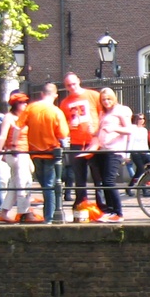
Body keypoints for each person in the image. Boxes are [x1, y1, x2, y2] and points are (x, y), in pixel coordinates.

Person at [17, 84, 70, 223]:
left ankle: (50, 215)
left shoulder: (30, 108)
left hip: (34, 152)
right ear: (55, 95)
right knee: (50, 186)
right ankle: (50, 217)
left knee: (45, 185)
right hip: (51, 153)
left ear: (41, 94)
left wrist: (15, 144)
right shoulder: (56, 112)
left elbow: (18, 125)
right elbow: (63, 134)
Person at [57, 72, 102, 215]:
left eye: (74, 84)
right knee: (79, 176)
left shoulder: (93, 96)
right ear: (66, 87)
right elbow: (63, 122)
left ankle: (101, 204)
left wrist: (98, 131)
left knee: (98, 175)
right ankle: (81, 204)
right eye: (69, 85)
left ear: (79, 81)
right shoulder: (65, 103)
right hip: (76, 141)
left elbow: (103, 115)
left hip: (94, 141)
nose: (72, 87)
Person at [93, 87, 132, 222]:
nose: (106, 102)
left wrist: (114, 128)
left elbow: (129, 129)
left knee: (109, 181)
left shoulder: (120, 110)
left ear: (114, 98)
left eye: (109, 99)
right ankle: (109, 210)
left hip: (114, 150)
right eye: (103, 99)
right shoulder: (103, 113)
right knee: (104, 181)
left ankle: (118, 212)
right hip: (103, 149)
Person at [0, 92, 33, 224]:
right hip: (15, 153)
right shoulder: (9, 117)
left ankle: (4, 212)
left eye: (25, 102)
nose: (25, 104)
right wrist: (0, 149)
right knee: (23, 182)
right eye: (22, 102)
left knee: (15, 183)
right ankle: (25, 212)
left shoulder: (25, 117)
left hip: (24, 153)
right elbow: (3, 135)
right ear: (16, 104)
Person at [126, 113, 150, 194]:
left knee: (143, 170)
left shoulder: (144, 130)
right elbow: (130, 142)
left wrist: (148, 153)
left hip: (144, 152)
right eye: (140, 118)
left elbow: (145, 143)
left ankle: (130, 187)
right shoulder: (133, 129)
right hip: (135, 152)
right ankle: (144, 190)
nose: (141, 120)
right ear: (136, 119)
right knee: (141, 170)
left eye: (143, 118)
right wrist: (127, 155)